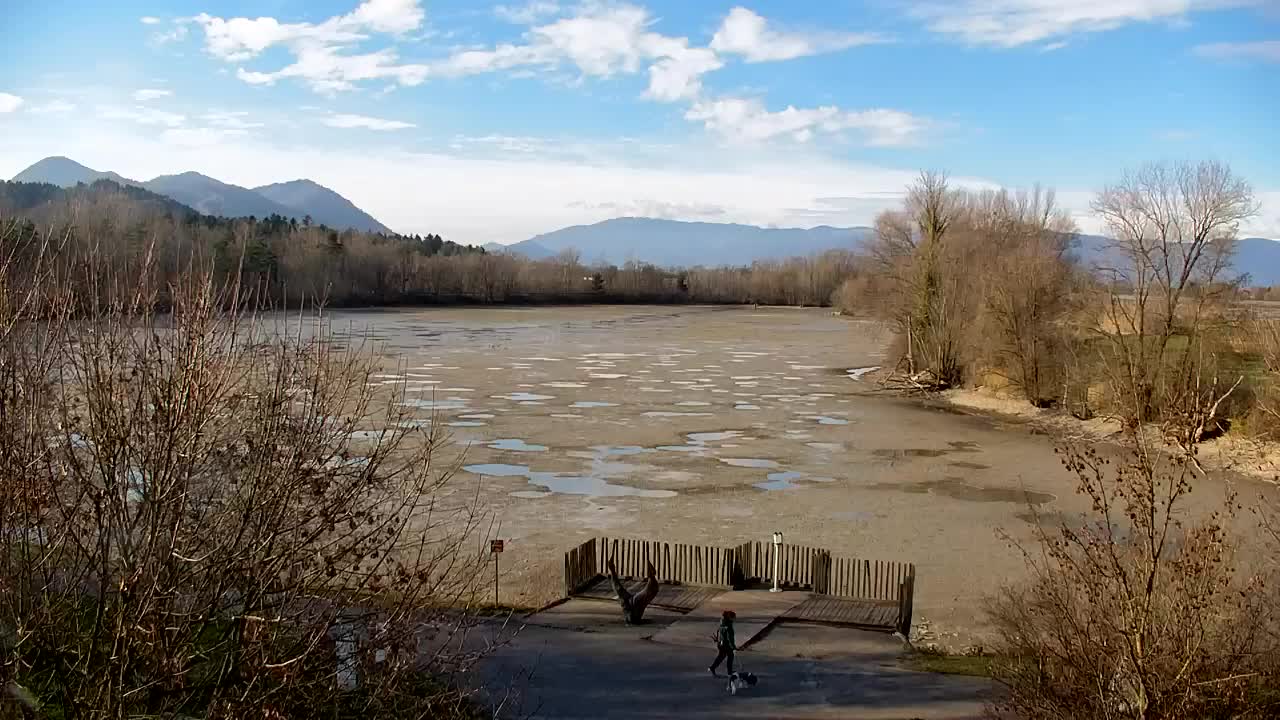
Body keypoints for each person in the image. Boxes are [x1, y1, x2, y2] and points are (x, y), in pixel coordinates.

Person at [708, 610, 736, 676]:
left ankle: (712, 667)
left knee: (721, 657)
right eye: (734, 617)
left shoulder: (722, 623)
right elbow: (730, 638)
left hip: (721, 643)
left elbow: (720, 632)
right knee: (730, 656)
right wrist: (733, 646)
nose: (734, 619)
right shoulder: (729, 626)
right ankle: (729, 672)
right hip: (726, 645)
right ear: (730, 617)